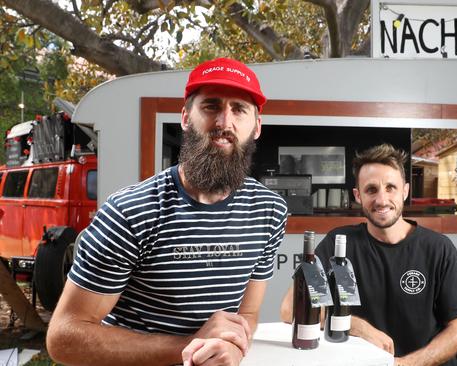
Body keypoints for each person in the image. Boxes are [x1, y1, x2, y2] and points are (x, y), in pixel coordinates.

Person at [47, 58, 288, 366]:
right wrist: (188, 345)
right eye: (211, 106)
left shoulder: (268, 210)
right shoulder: (131, 212)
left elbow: (248, 314)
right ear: (186, 118)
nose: (224, 123)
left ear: (256, 127)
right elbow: (64, 338)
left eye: (239, 109)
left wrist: (234, 347)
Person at [280, 144, 457, 366]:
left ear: (405, 191)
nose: (382, 200)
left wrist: (404, 364)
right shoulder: (339, 245)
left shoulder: (438, 249)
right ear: (358, 195)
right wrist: (354, 325)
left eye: (391, 188)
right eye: (371, 189)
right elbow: (290, 309)